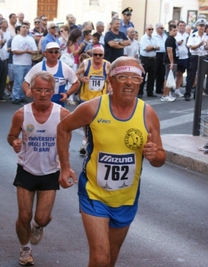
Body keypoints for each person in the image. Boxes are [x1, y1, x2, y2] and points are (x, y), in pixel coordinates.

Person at [57, 56, 166, 267]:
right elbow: (63, 128)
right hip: (94, 194)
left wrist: (155, 155)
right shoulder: (93, 108)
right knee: (100, 258)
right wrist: (65, 167)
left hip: (126, 197)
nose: (129, 82)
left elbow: (160, 158)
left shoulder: (147, 114)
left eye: (135, 78)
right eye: (123, 76)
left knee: (111, 258)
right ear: (111, 79)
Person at [7, 70, 69, 266]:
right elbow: (11, 136)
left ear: (53, 92)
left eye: (48, 90)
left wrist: (66, 168)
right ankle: (25, 249)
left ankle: (38, 226)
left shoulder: (63, 114)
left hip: (50, 171)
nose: (43, 94)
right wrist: (15, 142)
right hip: (26, 169)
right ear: (32, 90)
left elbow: (66, 144)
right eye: (39, 90)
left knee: (41, 218)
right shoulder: (21, 114)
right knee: (24, 215)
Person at [75, 45, 110, 154]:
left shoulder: (107, 64)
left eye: (100, 55)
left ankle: (95, 142)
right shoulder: (86, 63)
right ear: (92, 54)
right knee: (86, 121)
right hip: (86, 97)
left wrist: (110, 88)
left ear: (103, 55)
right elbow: (76, 74)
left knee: (99, 121)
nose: (98, 57)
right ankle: (85, 138)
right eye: (95, 54)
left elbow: (111, 79)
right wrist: (81, 78)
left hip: (100, 98)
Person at [23, 42, 80, 107]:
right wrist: (27, 91)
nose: (53, 54)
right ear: (45, 53)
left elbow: (76, 83)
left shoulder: (65, 68)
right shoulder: (38, 67)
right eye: (50, 52)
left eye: (56, 52)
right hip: (40, 105)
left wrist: (67, 94)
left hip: (58, 105)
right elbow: (25, 83)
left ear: (59, 54)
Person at [184, 17, 208, 101]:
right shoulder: (193, 36)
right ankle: (187, 93)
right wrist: (200, 44)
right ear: (197, 27)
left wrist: (205, 46)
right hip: (194, 56)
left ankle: (197, 94)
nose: (202, 27)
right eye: (200, 26)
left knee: (201, 76)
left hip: (203, 56)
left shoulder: (207, 36)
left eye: (203, 26)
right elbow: (191, 47)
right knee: (191, 76)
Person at [11, 24, 37, 104]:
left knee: (25, 82)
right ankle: (15, 97)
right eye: (23, 27)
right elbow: (14, 51)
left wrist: (30, 52)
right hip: (18, 63)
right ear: (20, 29)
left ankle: (21, 96)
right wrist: (25, 51)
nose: (25, 29)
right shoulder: (16, 38)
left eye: (27, 27)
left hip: (28, 63)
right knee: (18, 81)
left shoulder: (31, 39)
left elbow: (35, 51)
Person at [138, 24, 159, 98]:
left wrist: (152, 47)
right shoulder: (143, 38)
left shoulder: (154, 38)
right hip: (145, 59)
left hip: (153, 58)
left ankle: (150, 91)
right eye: (149, 29)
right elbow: (146, 48)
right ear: (145, 30)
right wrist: (154, 47)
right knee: (142, 75)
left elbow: (158, 47)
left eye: (152, 29)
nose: (151, 31)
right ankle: (140, 92)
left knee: (152, 76)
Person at [161, 24, 178, 102]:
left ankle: (168, 93)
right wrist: (171, 62)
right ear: (170, 31)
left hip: (173, 60)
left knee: (170, 78)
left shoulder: (173, 39)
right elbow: (169, 51)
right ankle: (165, 95)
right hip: (169, 61)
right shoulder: (169, 39)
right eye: (174, 30)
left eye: (176, 30)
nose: (175, 32)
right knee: (167, 78)